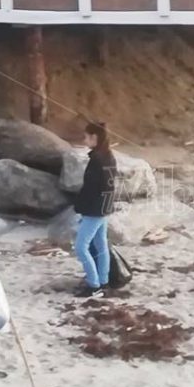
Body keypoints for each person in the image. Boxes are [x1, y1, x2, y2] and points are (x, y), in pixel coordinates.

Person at [74, 122, 117, 298]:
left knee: (80, 247)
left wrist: (80, 206)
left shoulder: (97, 159)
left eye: (86, 136)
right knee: (101, 245)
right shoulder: (109, 156)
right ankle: (103, 281)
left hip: (95, 209)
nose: (84, 140)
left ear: (94, 137)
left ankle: (93, 284)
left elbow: (90, 188)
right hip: (104, 207)